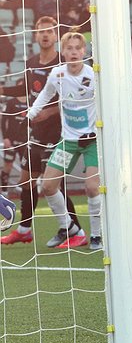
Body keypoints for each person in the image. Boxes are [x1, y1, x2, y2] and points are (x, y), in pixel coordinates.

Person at [1, 17, 82, 247]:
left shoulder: (63, 62)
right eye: (41, 31)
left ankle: (74, 229)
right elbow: (25, 88)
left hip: (59, 131)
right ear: (35, 35)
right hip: (36, 132)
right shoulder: (31, 62)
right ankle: (24, 230)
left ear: (56, 35)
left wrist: (49, 112)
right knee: (26, 180)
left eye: (49, 31)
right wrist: (2, 88)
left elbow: (74, 95)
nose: (45, 35)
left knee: (53, 184)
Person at [24, 32, 102, 250]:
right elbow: (45, 95)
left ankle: (97, 235)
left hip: (92, 141)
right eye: (69, 48)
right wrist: (31, 114)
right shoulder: (57, 74)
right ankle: (69, 227)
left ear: (84, 51)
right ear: (63, 52)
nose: (74, 52)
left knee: (92, 188)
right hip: (68, 141)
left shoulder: (93, 76)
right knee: (48, 186)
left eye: (78, 48)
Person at [1, 79, 27, 192]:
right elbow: (3, 121)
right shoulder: (11, 102)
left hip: (25, 140)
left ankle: (22, 187)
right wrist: (5, 137)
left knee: (26, 166)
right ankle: (4, 190)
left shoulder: (31, 103)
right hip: (11, 140)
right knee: (8, 165)